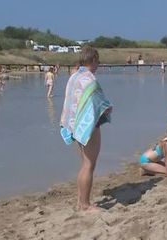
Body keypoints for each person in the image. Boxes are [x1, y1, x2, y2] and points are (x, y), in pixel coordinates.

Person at [60, 46, 112, 213]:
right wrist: (109, 108)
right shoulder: (89, 79)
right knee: (89, 164)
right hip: (88, 126)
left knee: (84, 164)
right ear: (94, 60)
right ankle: (85, 205)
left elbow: (71, 101)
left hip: (75, 124)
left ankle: (80, 201)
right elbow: (99, 103)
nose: (99, 65)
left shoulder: (74, 76)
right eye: (98, 61)